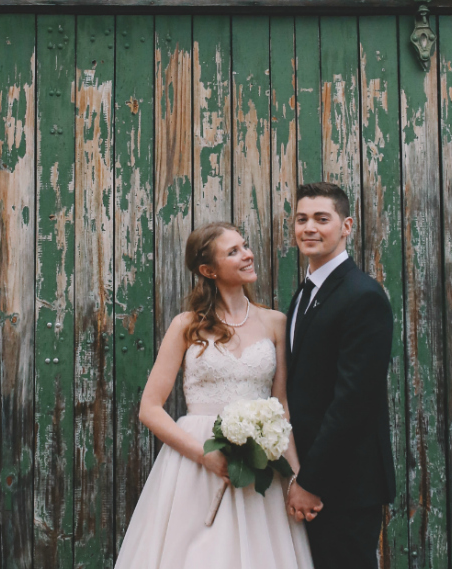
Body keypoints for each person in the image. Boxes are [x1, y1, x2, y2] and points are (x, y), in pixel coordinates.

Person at [113, 222, 313, 569]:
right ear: (209, 270)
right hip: (196, 462)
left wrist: (296, 478)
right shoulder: (186, 326)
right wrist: (203, 456)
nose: (247, 254)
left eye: (245, 245)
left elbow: (282, 408)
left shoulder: (275, 322)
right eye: (233, 251)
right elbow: (150, 408)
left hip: (258, 463)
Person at [282, 182, 397, 569]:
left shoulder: (362, 295)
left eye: (321, 219)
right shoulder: (305, 293)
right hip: (306, 477)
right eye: (301, 219)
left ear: (346, 226)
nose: (309, 228)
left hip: (344, 483)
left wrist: (310, 481)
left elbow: (354, 401)